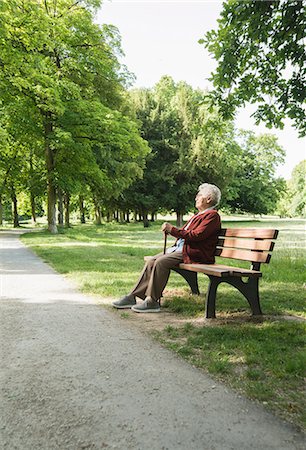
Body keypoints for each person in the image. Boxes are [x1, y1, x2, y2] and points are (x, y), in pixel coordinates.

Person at [112, 183, 221, 313]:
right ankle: (133, 296)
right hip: (183, 250)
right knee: (152, 260)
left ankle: (152, 301)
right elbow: (187, 234)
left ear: (208, 199)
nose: (196, 198)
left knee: (160, 262)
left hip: (194, 253)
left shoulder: (212, 216)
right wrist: (172, 231)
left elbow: (197, 235)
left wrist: (172, 230)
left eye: (199, 195)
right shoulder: (199, 215)